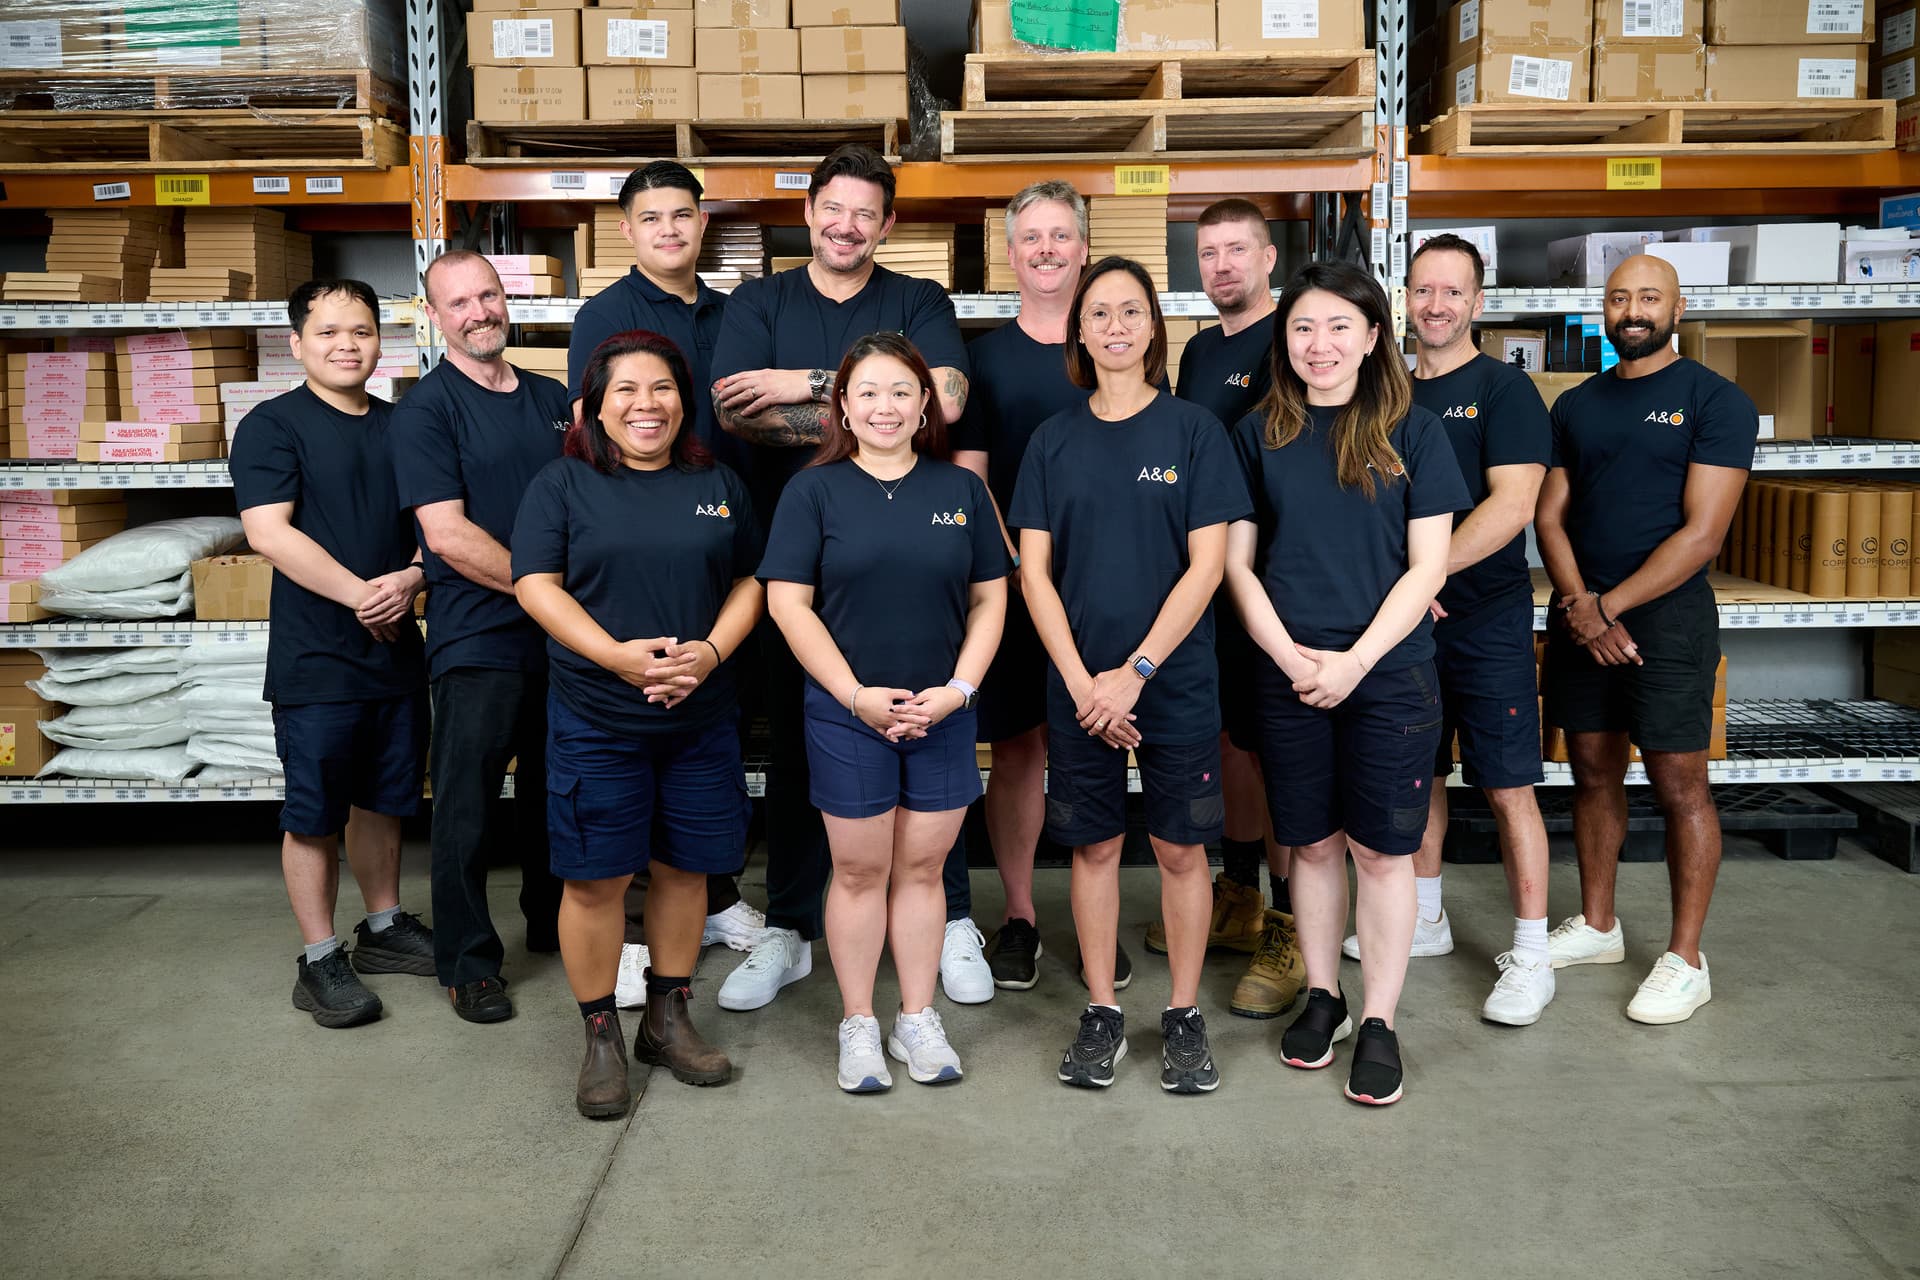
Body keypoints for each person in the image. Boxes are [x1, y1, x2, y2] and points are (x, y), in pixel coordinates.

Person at [709, 143, 981, 1012]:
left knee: (935, 734)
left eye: (867, 213)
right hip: (796, 554)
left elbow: (947, 395)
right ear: (809, 209)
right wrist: (867, 402)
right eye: (835, 207)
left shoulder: (919, 298)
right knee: (796, 742)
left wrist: (804, 385)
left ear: (887, 224)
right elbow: (735, 413)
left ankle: (956, 917)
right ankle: (790, 922)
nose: (847, 225)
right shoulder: (760, 299)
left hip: (911, 555)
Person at [1225, 261, 1468, 1106]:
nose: (1318, 345)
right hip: (1289, 673)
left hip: (1390, 677)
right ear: (1282, 341)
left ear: (1372, 337)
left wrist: (1356, 662)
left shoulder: (1416, 432)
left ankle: (1380, 1021)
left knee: (1382, 851)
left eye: (1337, 327)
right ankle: (1323, 995)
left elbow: (1427, 566)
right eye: (1301, 328)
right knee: (1314, 845)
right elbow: (1238, 568)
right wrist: (1295, 661)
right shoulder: (1259, 434)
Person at [1010, 256, 1250, 1094]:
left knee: (1182, 850)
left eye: (1131, 312)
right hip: (1077, 686)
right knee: (1095, 846)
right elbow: (1032, 573)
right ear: (1078, 330)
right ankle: (1104, 1010)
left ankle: (1183, 1013)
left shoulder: (1193, 432)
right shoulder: (1053, 439)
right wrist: (1083, 682)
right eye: (1099, 313)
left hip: (1172, 683)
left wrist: (1134, 673)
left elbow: (1207, 566)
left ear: (1155, 327)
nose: (1115, 326)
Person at [513, 330, 763, 1118]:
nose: (645, 405)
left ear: (683, 401)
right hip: (597, 716)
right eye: (626, 389)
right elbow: (536, 585)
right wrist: (615, 658)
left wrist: (712, 653)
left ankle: (667, 1017)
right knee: (595, 879)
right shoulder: (561, 484)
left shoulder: (718, 481)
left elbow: (753, 577)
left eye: (662, 388)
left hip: (700, 716)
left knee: (689, 867)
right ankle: (599, 1037)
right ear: (592, 404)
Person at [760, 332, 1007, 1093]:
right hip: (848, 713)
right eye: (867, 391)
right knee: (861, 870)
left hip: (943, 711)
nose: (885, 406)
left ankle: (917, 1019)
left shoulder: (959, 490)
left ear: (926, 403)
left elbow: (992, 597)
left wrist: (959, 691)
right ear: (842, 404)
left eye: (902, 391)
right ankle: (860, 1023)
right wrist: (855, 696)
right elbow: (787, 603)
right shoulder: (813, 491)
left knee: (925, 869)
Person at [1534, 252, 1756, 1025]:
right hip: (1583, 614)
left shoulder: (1717, 401)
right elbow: (1549, 516)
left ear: (1678, 308)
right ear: (1604, 308)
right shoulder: (1579, 405)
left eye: (1649, 297)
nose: (1633, 309)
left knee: (1679, 784)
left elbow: (1702, 535)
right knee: (1592, 769)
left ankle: (1685, 959)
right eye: (1620, 296)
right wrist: (1578, 604)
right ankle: (1598, 926)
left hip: (1664, 621)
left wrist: (1608, 609)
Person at [566, 160, 766, 1010]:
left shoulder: (737, 310)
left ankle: (711, 898)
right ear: (628, 230)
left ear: (702, 224)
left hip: (720, 539)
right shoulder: (606, 317)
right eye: (652, 219)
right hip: (640, 539)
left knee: (713, 744)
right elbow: (595, 428)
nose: (671, 231)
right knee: (631, 755)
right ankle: (631, 937)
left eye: (684, 216)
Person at [1350, 232, 1556, 1027]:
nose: (1435, 305)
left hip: (1483, 620)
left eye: (1453, 292)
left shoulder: (1505, 393)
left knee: (1507, 786)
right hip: (1404, 623)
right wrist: (1400, 595)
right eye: (1422, 290)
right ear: (1404, 296)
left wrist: (1427, 577)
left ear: (1478, 301)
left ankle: (1532, 954)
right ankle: (1426, 916)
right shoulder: (1385, 391)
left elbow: (1512, 508)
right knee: (1420, 774)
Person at [231, 277, 432, 1028]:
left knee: (386, 798)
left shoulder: (403, 425)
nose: (348, 345)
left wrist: (412, 577)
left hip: (395, 653)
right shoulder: (272, 426)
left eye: (362, 331)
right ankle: (319, 958)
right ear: (297, 344)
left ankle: (384, 927)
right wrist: (361, 595)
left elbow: (434, 523)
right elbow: (269, 532)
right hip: (318, 660)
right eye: (328, 332)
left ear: (383, 340)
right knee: (314, 811)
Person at [390, 250, 567, 1024]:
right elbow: (448, 536)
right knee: (465, 802)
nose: (478, 312)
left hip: (562, 637)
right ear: (437, 318)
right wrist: (545, 592)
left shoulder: (555, 400)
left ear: (507, 298)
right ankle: (467, 961)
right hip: (480, 637)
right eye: (457, 303)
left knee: (556, 790)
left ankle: (553, 917)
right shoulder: (426, 410)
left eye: (487, 295)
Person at [1159, 196, 1306, 1024]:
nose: (1221, 267)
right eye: (1208, 253)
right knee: (1234, 744)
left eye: (1237, 251)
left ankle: (1288, 923)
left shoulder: (1297, 339)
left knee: (1280, 749)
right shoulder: (1201, 351)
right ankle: (1241, 896)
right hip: (1215, 583)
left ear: (1269, 259)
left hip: (1285, 585)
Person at [949, 179, 1094, 993]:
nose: (1045, 249)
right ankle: (1019, 917)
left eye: (1059, 236)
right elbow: (974, 485)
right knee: (1019, 750)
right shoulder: (984, 362)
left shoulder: (1118, 345)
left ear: (1081, 248)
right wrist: (1025, 576)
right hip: (1012, 586)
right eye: (1030, 237)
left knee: (1092, 747)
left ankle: (1090, 913)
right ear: (1010, 255)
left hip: (1107, 596)